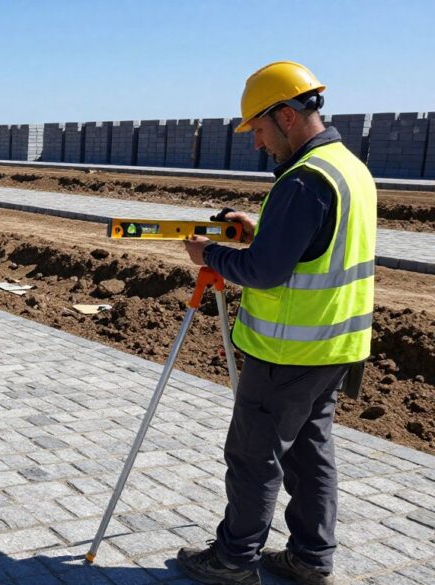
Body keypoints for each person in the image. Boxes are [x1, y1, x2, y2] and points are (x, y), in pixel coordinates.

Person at [178, 61, 377, 585]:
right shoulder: (348, 169)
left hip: (287, 351)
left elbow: (266, 272)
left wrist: (211, 254)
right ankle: (312, 559)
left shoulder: (303, 180)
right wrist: (262, 227)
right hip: (336, 348)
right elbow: (313, 244)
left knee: (253, 456)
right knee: (311, 454)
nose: (258, 144)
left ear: (286, 116)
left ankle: (233, 560)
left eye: (260, 130)